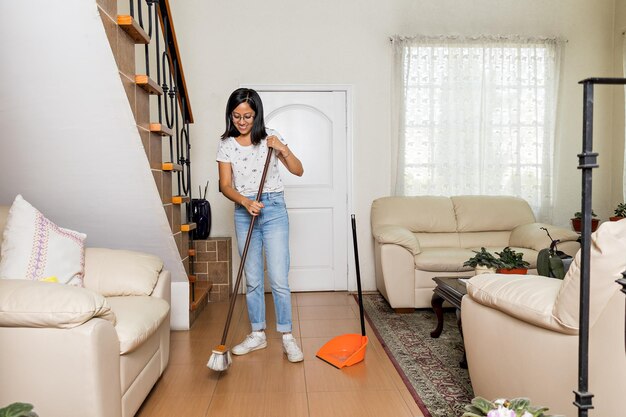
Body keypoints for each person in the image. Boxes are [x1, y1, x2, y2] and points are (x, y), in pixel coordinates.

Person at [216, 88, 304, 362]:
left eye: (248, 116)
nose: (242, 122)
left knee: (278, 277)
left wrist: (283, 149)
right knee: (253, 278)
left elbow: (298, 170)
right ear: (231, 115)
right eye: (237, 116)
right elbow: (225, 185)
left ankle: (287, 337)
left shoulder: (270, 138)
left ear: (257, 115)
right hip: (245, 211)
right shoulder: (226, 144)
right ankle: (258, 334)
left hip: (274, 208)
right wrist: (244, 201)